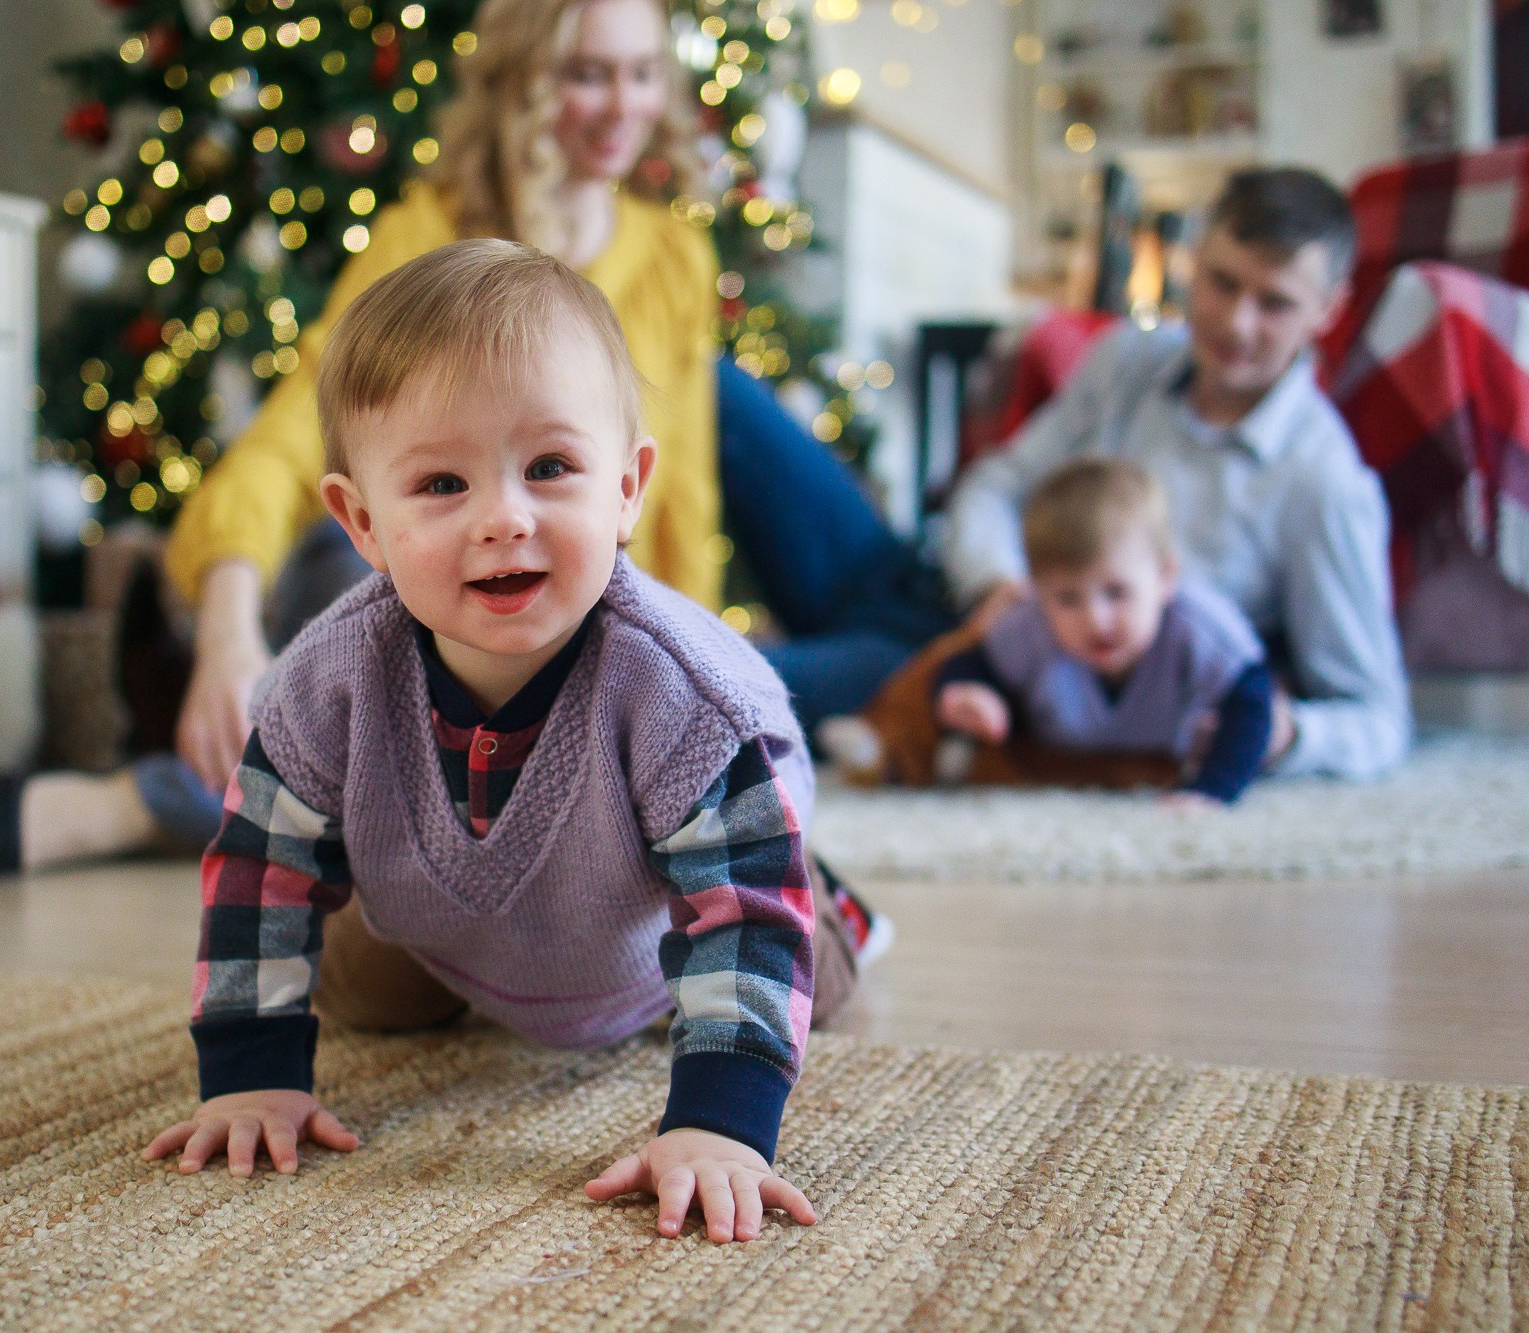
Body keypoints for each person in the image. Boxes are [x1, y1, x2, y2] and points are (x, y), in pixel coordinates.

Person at [0, 0, 948, 874]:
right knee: (401, 681)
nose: (623, 104)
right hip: (416, 599)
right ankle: (158, 798)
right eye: (585, 72)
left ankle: (178, 797)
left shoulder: (674, 255)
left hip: (582, 625)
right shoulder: (428, 230)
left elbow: (676, 489)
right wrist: (225, 614)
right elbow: (303, 424)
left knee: (848, 662)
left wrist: (680, 682)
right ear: (521, 76)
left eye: (643, 72)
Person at [143, 240, 888, 1243]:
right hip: (451, 926)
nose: (503, 518)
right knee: (364, 988)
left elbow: (743, 920)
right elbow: (258, 873)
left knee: (791, 967)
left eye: (549, 468)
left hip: (652, 927)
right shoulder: (324, 685)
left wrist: (719, 1128)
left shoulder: (683, 694)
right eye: (441, 484)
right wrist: (251, 1077)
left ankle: (826, 890)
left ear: (625, 489)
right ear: (360, 522)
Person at [943, 168, 1411, 780]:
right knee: (768, 425)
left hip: (1016, 685)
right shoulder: (1126, 362)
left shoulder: (1322, 483)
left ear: (1328, 310)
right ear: (1194, 260)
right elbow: (995, 485)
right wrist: (992, 585)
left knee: (784, 684)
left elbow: (1376, 717)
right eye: (1221, 282)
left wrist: (1287, 732)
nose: (1236, 323)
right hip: (976, 621)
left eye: (1274, 303)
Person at [829, 460, 1272, 803]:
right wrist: (971, 692)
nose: (1096, 619)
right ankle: (885, 746)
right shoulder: (1031, 624)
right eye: (1068, 599)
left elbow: (1252, 700)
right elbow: (974, 662)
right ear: (1037, 592)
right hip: (1055, 753)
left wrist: (1213, 788)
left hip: (1157, 760)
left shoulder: (1199, 626)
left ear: (1166, 577)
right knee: (942, 675)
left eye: (1116, 593)